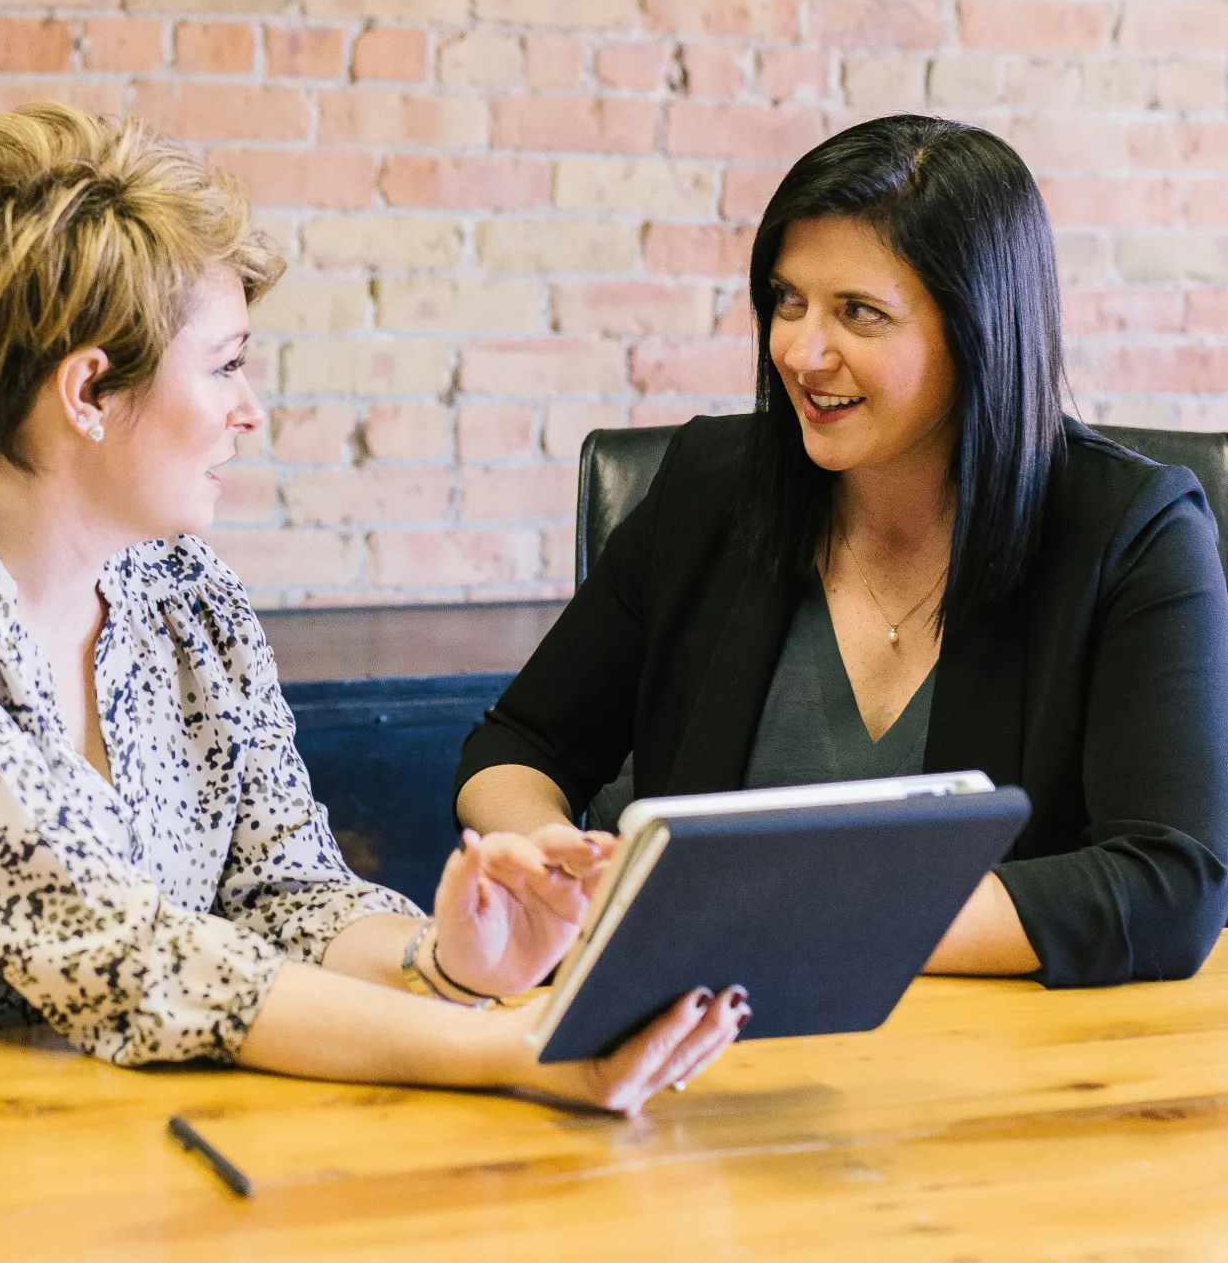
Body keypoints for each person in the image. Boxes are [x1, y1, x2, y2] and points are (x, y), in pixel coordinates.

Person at [0, 102, 747, 1114]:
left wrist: (445, 958)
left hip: (134, 1128)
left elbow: (283, 893)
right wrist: (509, 1046)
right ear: (89, 391)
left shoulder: (184, 590)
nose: (252, 408)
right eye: (227, 363)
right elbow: (131, 962)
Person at [456, 114, 1228, 989]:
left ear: (978, 329)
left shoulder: (1132, 531)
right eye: (788, 300)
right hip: (700, 1052)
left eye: (857, 313)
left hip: (1002, 1066)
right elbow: (517, 743)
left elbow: (1168, 882)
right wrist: (548, 867)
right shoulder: (710, 487)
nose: (799, 350)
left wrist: (779, 922)